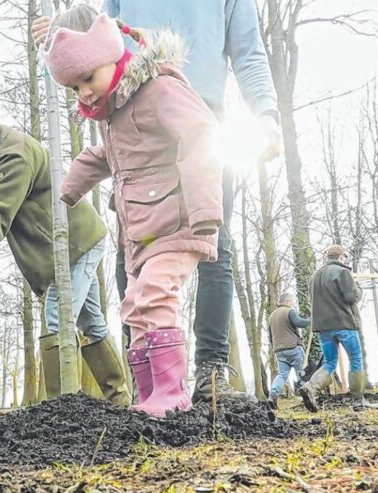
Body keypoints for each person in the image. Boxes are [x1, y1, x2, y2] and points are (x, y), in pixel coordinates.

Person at [33, 0, 282, 405]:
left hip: (200, 116)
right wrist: (61, 34)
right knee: (132, 264)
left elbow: (249, 51)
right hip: (128, 111)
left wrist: (265, 114)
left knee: (211, 242)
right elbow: (100, 29)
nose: (79, 93)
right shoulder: (101, 82)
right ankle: (148, 380)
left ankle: (208, 373)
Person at [42, 7, 223, 417]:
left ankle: (172, 394)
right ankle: (149, 394)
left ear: (110, 55)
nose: (84, 93)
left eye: (87, 78)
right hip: (141, 234)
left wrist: (205, 209)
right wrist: (69, 189)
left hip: (178, 221)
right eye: (73, 88)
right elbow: (105, 156)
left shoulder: (159, 90)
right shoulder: (111, 114)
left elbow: (201, 135)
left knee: (156, 292)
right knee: (134, 305)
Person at [0, 92, 131, 406]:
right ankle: (121, 402)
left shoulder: (13, 154)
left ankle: (55, 413)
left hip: (74, 244)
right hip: (77, 240)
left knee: (56, 318)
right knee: (91, 322)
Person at [297, 245, 376, 412]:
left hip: (324, 328)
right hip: (344, 324)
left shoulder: (315, 276)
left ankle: (310, 387)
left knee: (329, 363)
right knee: (356, 360)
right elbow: (351, 297)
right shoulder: (342, 272)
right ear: (340, 256)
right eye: (344, 256)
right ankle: (358, 401)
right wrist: (358, 290)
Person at [266, 292, 310, 410]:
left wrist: (275, 348)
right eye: (292, 302)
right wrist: (312, 319)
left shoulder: (271, 316)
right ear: (287, 302)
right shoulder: (289, 311)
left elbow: (270, 336)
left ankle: (273, 395)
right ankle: (305, 400)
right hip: (293, 347)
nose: (292, 304)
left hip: (279, 350)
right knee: (301, 373)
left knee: (282, 375)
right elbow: (300, 323)